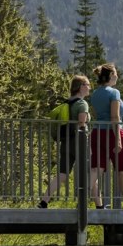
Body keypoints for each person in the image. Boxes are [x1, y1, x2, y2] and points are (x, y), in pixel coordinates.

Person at [87, 62, 123, 209]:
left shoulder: (96, 93)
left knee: (96, 169)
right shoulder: (114, 93)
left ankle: (83, 195)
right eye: (115, 73)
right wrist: (118, 140)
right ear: (110, 75)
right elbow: (115, 117)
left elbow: (100, 114)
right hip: (114, 132)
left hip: (97, 133)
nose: (117, 76)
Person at [38, 75, 91, 209]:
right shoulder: (82, 104)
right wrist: (87, 143)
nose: (90, 88)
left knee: (62, 174)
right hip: (79, 142)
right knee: (89, 173)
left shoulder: (67, 103)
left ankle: (44, 201)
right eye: (88, 85)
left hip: (66, 142)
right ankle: (93, 205)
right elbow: (82, 123)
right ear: (81, 87)